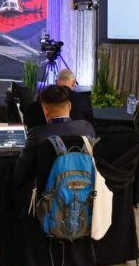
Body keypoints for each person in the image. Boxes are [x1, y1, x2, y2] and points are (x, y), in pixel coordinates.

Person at [12, 84, 96, 213]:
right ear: (70, 106)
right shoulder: (86, 128)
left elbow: (19, 175)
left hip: (47, 202)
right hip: (83, 197)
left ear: (45, 111)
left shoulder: (38, 134)